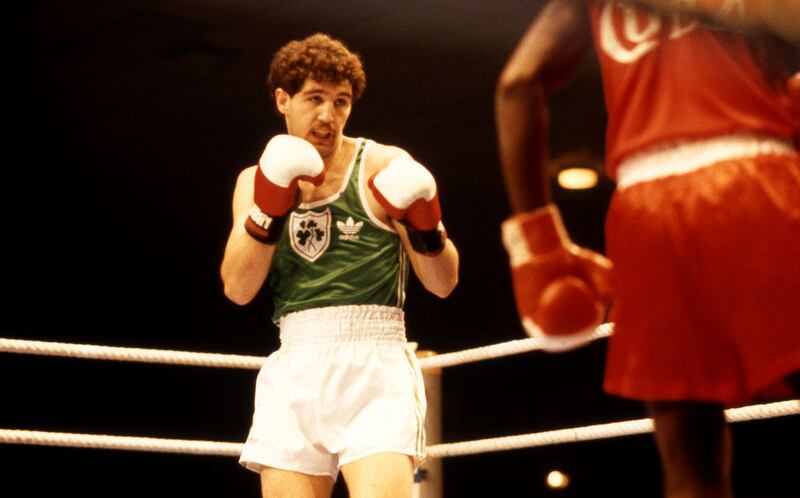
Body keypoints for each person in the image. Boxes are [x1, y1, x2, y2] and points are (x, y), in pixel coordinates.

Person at [495, 1, 799, 497]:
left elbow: (516, 83)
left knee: (691, 468)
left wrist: (538, 239)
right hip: (756, 180)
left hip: (645, 211)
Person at [220, 33, 459, 498]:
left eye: (341, 101)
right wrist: (269, 209)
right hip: (296, 359)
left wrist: (427, 225)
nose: (328, 115)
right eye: (315, 99)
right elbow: (238, 288)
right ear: (283, 100)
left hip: (375, 363)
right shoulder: (254, 180)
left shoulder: (383, 165)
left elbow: (443, 282)